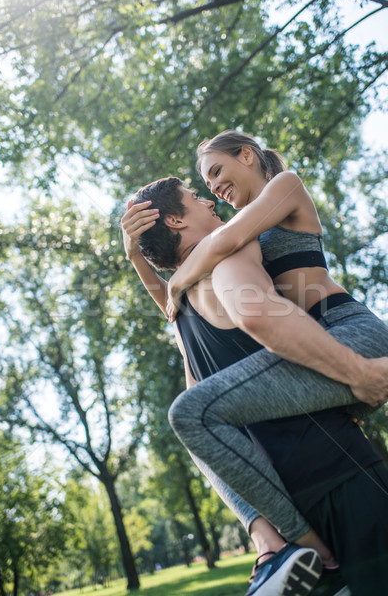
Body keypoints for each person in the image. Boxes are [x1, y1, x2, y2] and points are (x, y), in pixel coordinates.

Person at [121, 178, 388, 596]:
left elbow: (174, 301)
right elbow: (259, 311)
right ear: (175, 219)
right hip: (340, 479)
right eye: (195, 198)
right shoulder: (231, 257)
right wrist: (360, 374)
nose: (210, 201)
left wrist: (139, 259)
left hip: (285, 517)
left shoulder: (182, 317)